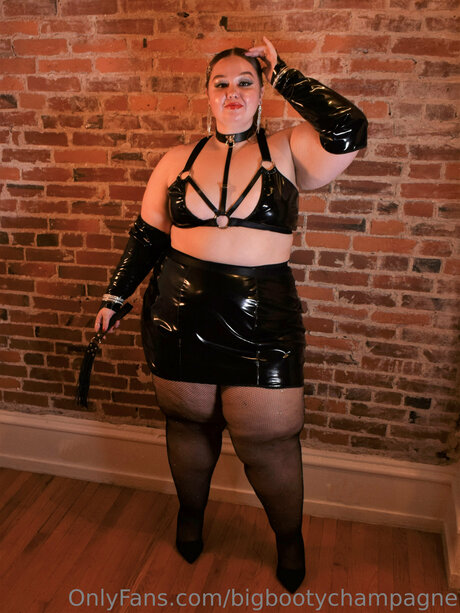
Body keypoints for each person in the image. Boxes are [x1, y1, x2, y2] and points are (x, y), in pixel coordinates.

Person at [94, 36, 367, 593]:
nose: (233, 92)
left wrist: (285, 74)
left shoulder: (290, 149)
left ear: (262, 93)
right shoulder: (176, 159)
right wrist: (115, 297)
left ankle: (288, 540)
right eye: (221, 83)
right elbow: (147, 236)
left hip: (263, 316)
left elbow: (349, 127)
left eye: (246, 82)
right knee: (188, 424)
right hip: (179, 311)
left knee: (270, 441)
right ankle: (191, 516)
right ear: (207, 95)